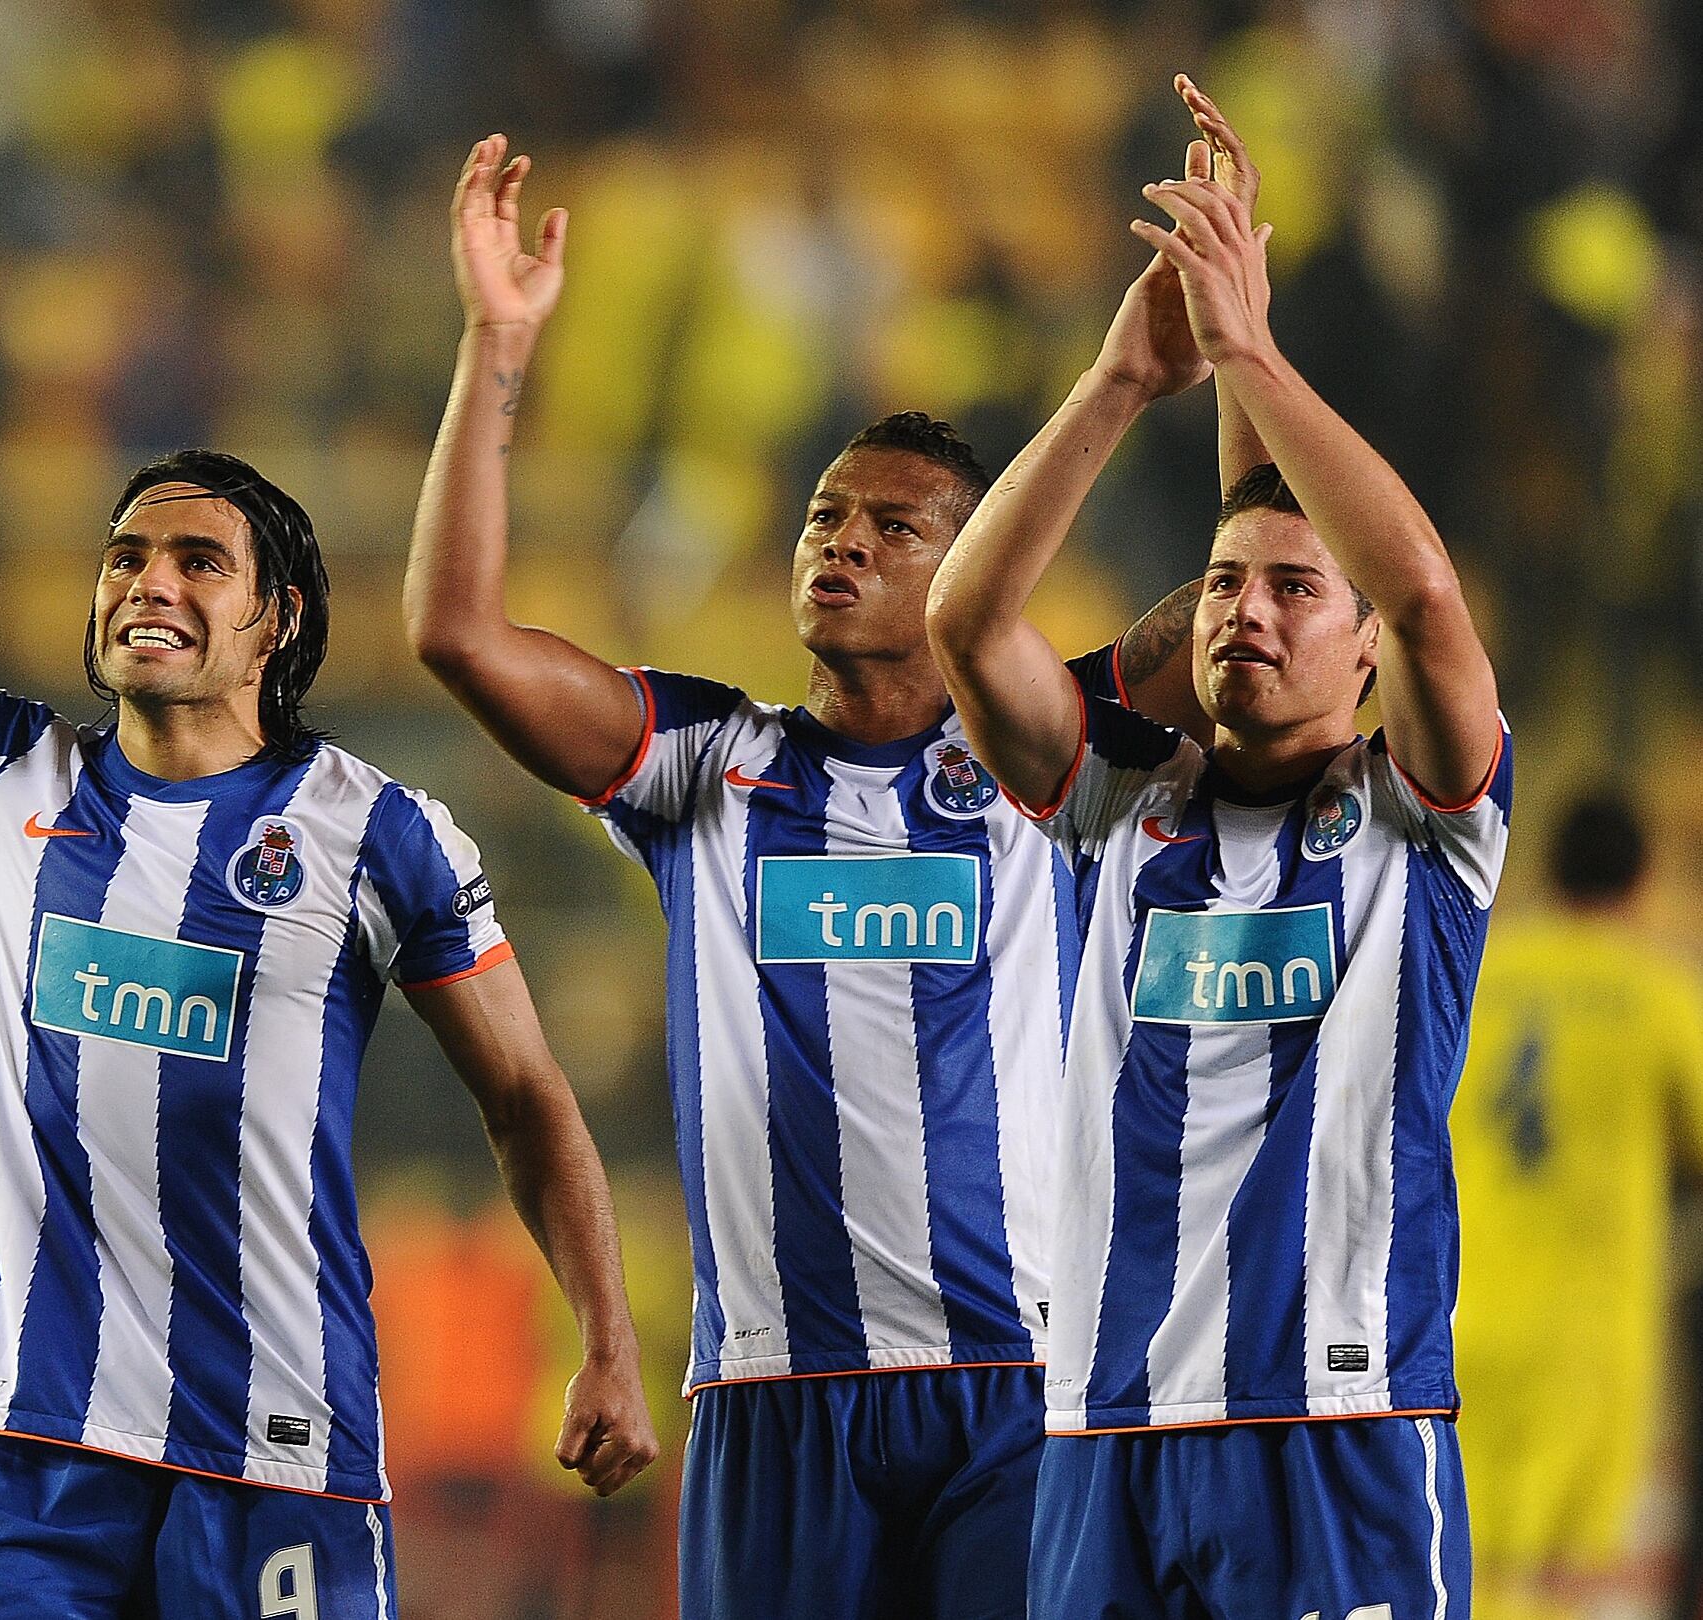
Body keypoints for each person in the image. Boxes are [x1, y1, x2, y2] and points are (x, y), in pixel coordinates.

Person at [0, 283, 657, 1619]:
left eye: (198, 561)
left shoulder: (380, 834)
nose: (147, 578)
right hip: (31, 1456)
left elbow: (526, 1098)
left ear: (279, 619)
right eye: (125, 556)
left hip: (277, 1459)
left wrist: (606, 1341)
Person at [403, 96, 1245, 1615]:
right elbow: (455, 635)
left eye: (892, 527)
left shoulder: (1050, 754)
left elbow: (1261, 606)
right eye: (821, 515)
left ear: (969, 560)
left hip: (1015, 1386)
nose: (836, 542)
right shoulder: (703, 768)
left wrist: (1214, 356)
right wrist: (495, 346)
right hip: (775, 1391)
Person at [927, 75, 1510, 1620]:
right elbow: (962, 625)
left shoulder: (1424, 819)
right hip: (1104, 1424)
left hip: (1340, 1419)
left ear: (1368, 654)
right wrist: (1126, 379)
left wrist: (1248, 344)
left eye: (1295, 593)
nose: (1245, 608)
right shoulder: (1125, 803)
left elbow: (1432, 598)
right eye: (1219, 584)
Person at [1453, 794, 1703, 1620]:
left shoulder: (1477, 973)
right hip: (1589, 1334)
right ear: (1643, 880)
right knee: (1558, 1580)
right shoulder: (1658, 992)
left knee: (1465, 1560)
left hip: (1460, 1318)